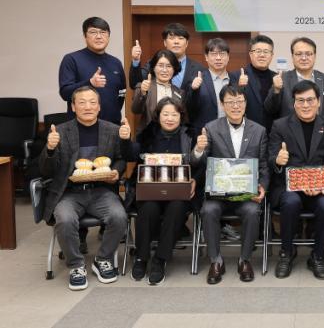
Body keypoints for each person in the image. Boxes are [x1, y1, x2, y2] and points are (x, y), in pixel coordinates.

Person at [38, 86, 127, 291]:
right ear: (73, 107)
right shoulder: (59, 132)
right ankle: (76, 266)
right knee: (65, 219)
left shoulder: (112, 130)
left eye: (92, 102)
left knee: (119, 216)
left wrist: (116, 171)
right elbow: (45, 170)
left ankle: (102, 259)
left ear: (99, 106)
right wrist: (50, 149)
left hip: (101, 191)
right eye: (82, 102)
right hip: (69, 193)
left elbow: (121, 158)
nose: (88, 107)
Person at [192, 86, 268, 284]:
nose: (236, 106)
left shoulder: (259, 130)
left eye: (240, 101)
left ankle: (245, 260)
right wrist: (198, 149)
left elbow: (263, 165)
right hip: (219, 194)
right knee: (208, 210)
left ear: (245, 103)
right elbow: (198, 163)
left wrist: (262, 186)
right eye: (230, 102)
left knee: (252, 211)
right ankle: (216, 261)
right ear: (222, 104)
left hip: (245, 194)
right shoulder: (210, 128)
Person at [268, 80, 324, 280]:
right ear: (294, 103)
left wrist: (317, 183)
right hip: (289, 187)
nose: (306, 105)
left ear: (319, 102)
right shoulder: (280, 126)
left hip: (320, 187)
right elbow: (271, 159)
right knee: (291, 202)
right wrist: (278, 160)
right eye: (300, 100)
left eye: (310, 100)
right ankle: (287, 252)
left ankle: (318, 256)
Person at [120, 97, 197, 285]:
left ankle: (160, 259)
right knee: (148, 207)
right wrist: (125, 140)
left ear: (181, 116)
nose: (170, 118)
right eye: (165, 114)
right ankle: (141, 257)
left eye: (174, 115)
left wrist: (195, 178)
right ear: (158, 116)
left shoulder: (190, 135)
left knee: (177, 207)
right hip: (150, 189)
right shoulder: (148, 133)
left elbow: (199, 164)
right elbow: (131, 155)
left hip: (179, 191)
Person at [58, 17, 126, 124]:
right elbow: (65, 93)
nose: (99, 36)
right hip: (81, 126)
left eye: (103, 32)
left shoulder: (116, 62)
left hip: (112, 126)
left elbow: (122, 93)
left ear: (108, 36)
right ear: (85, 36)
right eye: (93, 32)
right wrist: (90, 83)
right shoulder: (72, 59)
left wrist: (114, 113)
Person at [264, 37, 324, 129]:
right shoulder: (282, 79)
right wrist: (276, 90)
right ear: (292, 57)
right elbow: (270, 110)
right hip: (291, 133)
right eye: (299, 54)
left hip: (321, 134)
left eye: (308, 54)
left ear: (315, 56)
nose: (304, 58)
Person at [129, 22, 203, 91]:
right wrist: (136, 60)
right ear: (165, 42)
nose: (176, 42)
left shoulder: (198, 68)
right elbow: (135, 84)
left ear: (186, 43)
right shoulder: (154, 63)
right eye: (172, 38)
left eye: (180, 38)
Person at [185, 38, 237, 133]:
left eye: (222, 54)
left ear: (228, 57)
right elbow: (189, 109)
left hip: (231, 132)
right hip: (204, 133)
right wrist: (193, 89)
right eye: (213, 54)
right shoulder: (196, 79)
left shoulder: (235, 79)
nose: (218, 58)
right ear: (206, 57)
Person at [231, 35, 278, 132]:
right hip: (246, 132)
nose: (262, 55)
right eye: (258, 51)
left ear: (272, 55)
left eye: (266, 51)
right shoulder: (236, 76)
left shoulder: (277, 78)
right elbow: (230, 105)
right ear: (250, 54)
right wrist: (239, 87)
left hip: (273, 133)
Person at [131, 49, 185, 133]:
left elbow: (182, 119)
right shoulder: (144, 86)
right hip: (149, 137)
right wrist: (143, 92)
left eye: (169, 66)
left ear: (174, 69)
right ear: (154, 68)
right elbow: (135, 110)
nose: (164, 70)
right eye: (160, 65)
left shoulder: (179, 92)